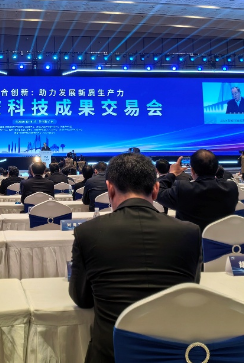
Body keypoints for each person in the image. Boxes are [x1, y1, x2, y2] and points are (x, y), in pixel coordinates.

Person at [69, 152, 202, 363]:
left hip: (111, 354)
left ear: (110, 188)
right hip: (173, 354)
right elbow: (192, 289)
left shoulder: (88, 232)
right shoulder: (190, 232)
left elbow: (81, 299)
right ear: (156, 190)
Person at [157, 150, 239, 229]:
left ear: (192, 170)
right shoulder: (231, 188)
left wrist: (172, 174)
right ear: (217, 169)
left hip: (189, 238)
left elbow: (158, 191)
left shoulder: (183, 189)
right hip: (222, 237)